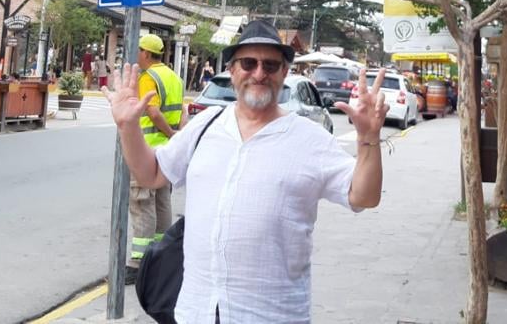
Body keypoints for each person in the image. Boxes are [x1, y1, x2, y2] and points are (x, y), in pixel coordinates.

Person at [103, 19, 388, 322]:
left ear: (284, 72)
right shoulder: (206, 125)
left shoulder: (310, 138)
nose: (259, 73)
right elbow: (151, 174)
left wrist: (368, 138)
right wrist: (128, 126)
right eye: (248, 63)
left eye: (270, 65)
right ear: (232, 70)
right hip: (196, 312)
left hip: (271, 316)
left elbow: (364, 196)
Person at [124, 34, 185, 284]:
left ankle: (139, 262)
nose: (136, 54)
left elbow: (152, 111)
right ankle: (160, 256)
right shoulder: (173, 77)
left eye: (139, 50)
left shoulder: (148, 77)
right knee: (162, 201)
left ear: (146, 53)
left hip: (148, 149)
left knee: (142, 202)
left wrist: (168, 132)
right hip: (167, 151)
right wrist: (176, 137)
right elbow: (182, 111)